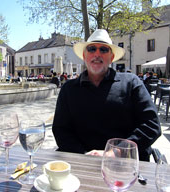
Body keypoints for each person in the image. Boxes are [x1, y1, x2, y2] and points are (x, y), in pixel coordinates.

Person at [52, 29, 161, 161]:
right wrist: (84, 155)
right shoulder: (68, 89)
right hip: (82, 162)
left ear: (112, 57)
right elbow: (61, 130)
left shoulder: (132, 83)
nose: (97, 54)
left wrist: (118, 151)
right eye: (91, 49)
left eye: (103, 50)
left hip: (125, 163)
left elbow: (152, 126)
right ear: (84, 56)